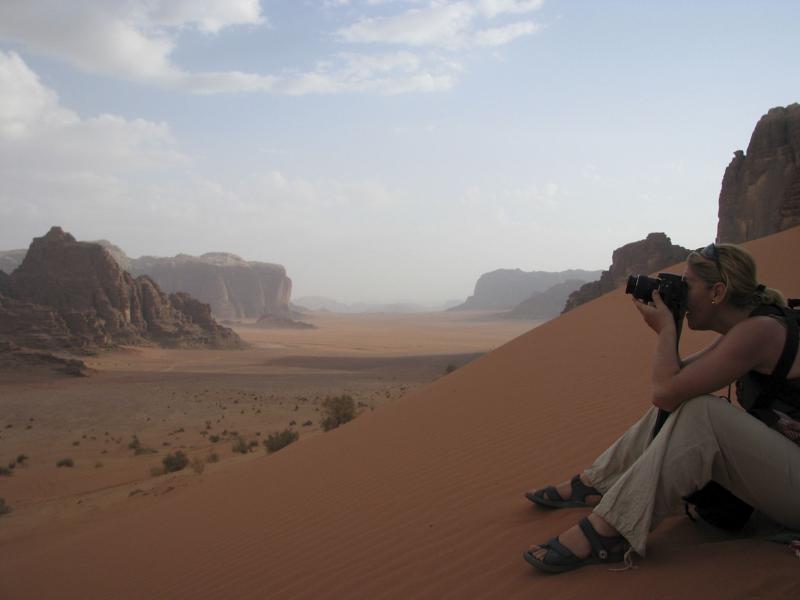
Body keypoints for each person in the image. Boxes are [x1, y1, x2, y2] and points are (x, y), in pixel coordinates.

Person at [522, 243, 800, 573]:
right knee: (693, 401)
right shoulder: (746, 328)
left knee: (703, 413)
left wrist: (666, 330)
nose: (679, 293)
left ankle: (609, 530)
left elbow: (665, 391)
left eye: (688, 284)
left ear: (718, 291)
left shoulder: (761, 331)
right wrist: (670, 328)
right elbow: (680, 381)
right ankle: (599, 482)